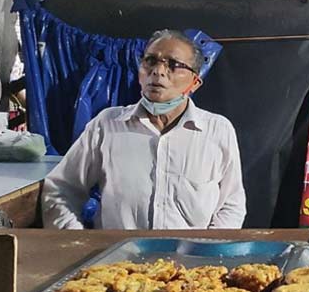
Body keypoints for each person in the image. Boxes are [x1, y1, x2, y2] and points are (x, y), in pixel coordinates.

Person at [42, 29, 246, 229]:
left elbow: (231, 204)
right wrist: (78, 242)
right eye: (150, 61)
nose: (158, 71)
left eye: (173, 64)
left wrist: (208, 251)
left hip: (190, 259)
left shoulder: (217, 130)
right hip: (117, 260)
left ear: (194, 83)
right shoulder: (107, 124)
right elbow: (61, 189)